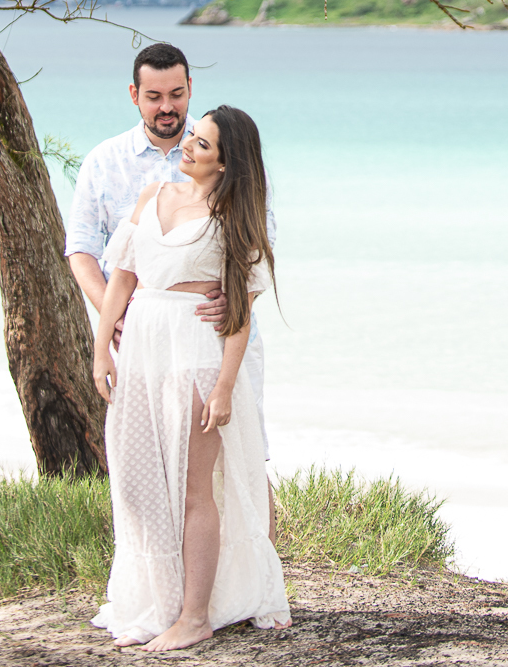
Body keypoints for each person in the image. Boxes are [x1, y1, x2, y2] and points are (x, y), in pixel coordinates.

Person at [91, 105, 290, 648]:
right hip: (142, 353)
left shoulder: (233, 220)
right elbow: (121, 279)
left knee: (194, 491)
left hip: (196, 356)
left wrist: (224, 388)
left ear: (225, 164)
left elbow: (239, 315)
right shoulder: (152, 196)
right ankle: (157, 604)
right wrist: (101, 350)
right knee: (137, 483)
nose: (188, 145)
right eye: (193, 135)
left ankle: (196, 617)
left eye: (202, 144)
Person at [64, 42, 276, 529]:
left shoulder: (226, 148)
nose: (167, 107)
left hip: (213, 338)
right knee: (150, 460)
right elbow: (83, 250)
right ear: (134, 95)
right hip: (143, 341)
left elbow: (258, 242)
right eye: (154, 96)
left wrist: (236, 301)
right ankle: (168, 565)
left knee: (244, 455)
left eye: (176, 94)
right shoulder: (105, 161)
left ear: (190, 89)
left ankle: (260, 564)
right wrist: (116, 319)